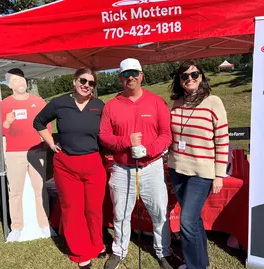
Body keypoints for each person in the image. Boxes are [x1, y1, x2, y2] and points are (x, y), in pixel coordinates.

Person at [100, 58, 174, 269]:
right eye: (125, 74)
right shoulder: (111, 106)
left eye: (134, 73)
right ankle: (119, 251)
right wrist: (125, 143)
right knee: (121, 214)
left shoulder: (156, 102)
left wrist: (149, 150)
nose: (130, 77)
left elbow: (166, 134)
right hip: (122, 169)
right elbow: (104, 136)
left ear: (141, 75)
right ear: (120, 78)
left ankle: (163, 251)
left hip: (152, 167)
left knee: (159, 212)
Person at [33, 68, 106, 269]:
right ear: (74, 81)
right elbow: (38, 122)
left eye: (91, 83)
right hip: (66, 165)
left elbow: (108, 131)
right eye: (83, 80)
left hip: (93, 164)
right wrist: (50, 143)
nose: (86, 85)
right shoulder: (59, 102)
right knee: (73, 210)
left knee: (93, 209)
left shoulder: (99, 105)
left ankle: (97, 244)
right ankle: (80, 252)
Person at [168, 60, 229, 269]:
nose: (190, 79)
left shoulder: (214, 102)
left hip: (201, 173)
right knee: (193, 220)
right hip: (176, 168)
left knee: (186, 221)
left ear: (201, 77)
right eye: (185, 76)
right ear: (180, 80)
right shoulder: (176, 103)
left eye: (194, 75)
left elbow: (222, 139)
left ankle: (195, 266)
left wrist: (219, 174)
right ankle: (201, 262)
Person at [1, 68, 51, 242]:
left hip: (37, 150)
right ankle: (16, 227)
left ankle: (44, 224)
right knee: (15, 191)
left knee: (40, 189)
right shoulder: (4, 104)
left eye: (22, 79)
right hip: (14, 153)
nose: (20, 83)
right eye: (15, 80)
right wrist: (6, 122)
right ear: (9, 85)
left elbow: (47, 124)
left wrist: (47, 142)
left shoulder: (38, 101)